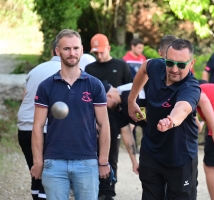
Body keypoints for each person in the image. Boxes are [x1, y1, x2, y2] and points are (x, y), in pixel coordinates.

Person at [30, 29, 111, 200]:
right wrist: (38, 162)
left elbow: (104, 124)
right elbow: (37, 126)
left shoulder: (94, 85)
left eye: (75, 48)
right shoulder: (46, 86)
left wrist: (103, 160)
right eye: (66, 49)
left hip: (87, 161)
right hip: (54, 162)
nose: (72, 53)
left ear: (82, 50)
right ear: (58, 51)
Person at [128, 39, 203, 199]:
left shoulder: (191, 87)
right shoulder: (157, 66)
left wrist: (171, 121)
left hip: (180, 157)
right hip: (151, 152)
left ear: (192, 63)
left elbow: (182, 108)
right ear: (164, 59)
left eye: (181, 65)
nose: (174, 69)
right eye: (170, 63)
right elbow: (144, 67)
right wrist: (131, 99)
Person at [85, 33, 132, 200]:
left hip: (115, 118)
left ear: (109, 48)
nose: (99, 55)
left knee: (111, 155)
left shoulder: (121, 65)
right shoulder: (90, 69)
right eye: (95, 53)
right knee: (93, 154)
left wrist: (130, 121)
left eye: (101, 52)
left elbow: (130, 91)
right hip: (93, 119)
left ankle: (109, 191)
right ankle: (95, 189)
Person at [17, 40, 61, 200]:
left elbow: (24, 98)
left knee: (36, 173)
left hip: (24, 128)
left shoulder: (35, 70)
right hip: (46, 129)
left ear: (52, 52)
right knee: (49, 178)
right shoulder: (67, 72)